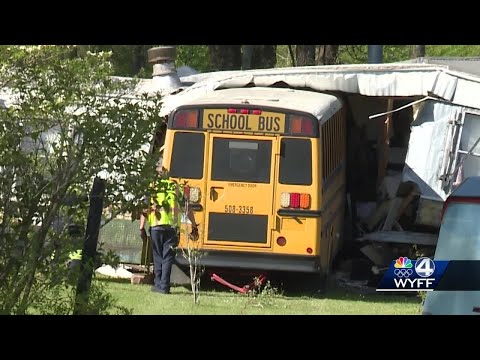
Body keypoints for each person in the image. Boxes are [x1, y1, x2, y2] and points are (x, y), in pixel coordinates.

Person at [140, 156, 198, 294]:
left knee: (158, 256)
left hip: (156, 226)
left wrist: (141, 227)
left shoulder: (152, 187)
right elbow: (187, 208)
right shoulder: (176, 188)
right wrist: (194, 226)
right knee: (167, 257)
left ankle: (159, 284)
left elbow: (144, 208)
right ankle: (164, 286)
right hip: (172, 228)